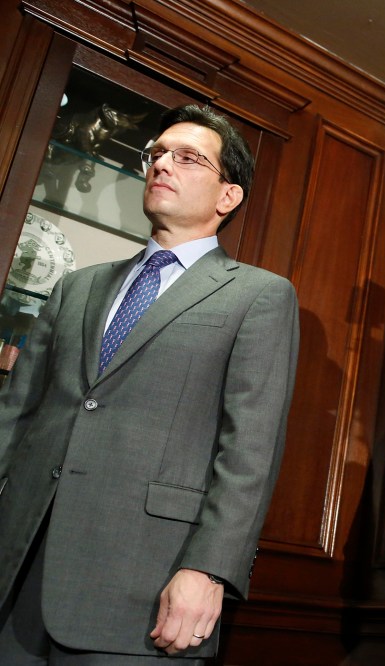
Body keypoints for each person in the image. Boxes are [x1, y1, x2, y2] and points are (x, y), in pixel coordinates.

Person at [0, 104, 299, 662]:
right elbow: (15, 415)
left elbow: (250, 451)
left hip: (142, 586)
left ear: (228, 196)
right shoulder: (75, 286)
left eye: (187, 158)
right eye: (157, 154)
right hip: (17, 565)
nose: (162, 164)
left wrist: (208, 568)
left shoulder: (259, 295)